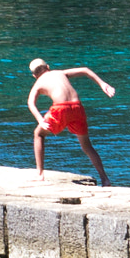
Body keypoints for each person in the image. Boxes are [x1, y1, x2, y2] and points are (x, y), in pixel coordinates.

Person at [26, 57, 115, 186]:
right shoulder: (60, 73)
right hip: (77, 107)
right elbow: (85, 70)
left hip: (61, 108)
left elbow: (30, 103)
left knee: (38, 134)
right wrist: (103, 84)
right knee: (87, 146)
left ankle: (40, 174)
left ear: (34, 75)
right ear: (48, 67)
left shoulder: (38, 83)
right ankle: (105, 179)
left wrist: (40, 120)